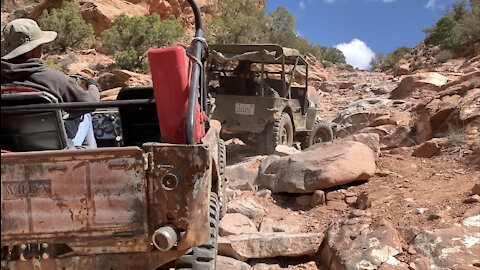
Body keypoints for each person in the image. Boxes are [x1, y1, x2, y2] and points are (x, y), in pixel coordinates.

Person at [1, 18, 100, 148]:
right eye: (40, 45)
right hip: (52, 148)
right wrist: (93, 86)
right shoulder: (54, 79)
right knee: (85, 116)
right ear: (32, 50)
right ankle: (89, 160)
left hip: (8, 147)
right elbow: (88, 104)